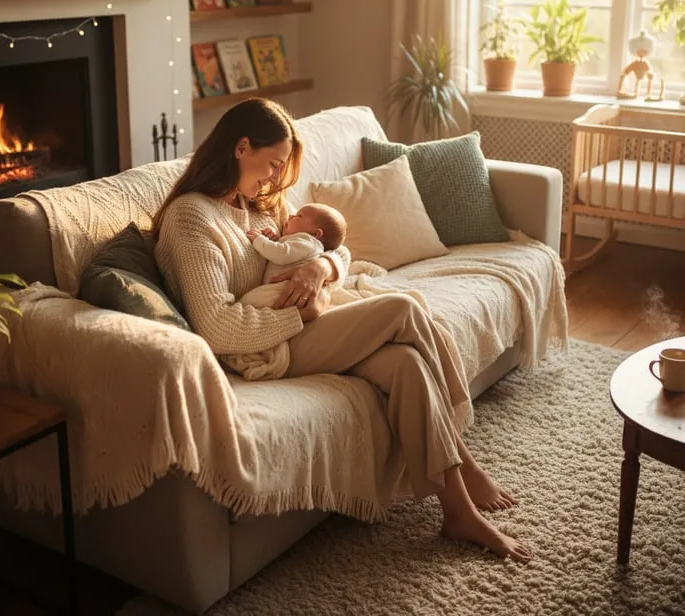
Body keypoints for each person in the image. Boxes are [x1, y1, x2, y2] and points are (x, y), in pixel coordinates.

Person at [153, 98, 530, 562]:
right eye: (272, 164)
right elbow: (218, 328)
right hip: (264, 347)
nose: (274, 178)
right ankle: (465, 461)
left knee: (406, 364)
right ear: (241, 147)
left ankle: (456, 510)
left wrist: (322, 269)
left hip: (300, 326)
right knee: (401, 308)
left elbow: (338, 248)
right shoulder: (192, 217)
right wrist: (301, 316)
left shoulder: (259, 205)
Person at [220, 202, 348, 380]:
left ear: (316, 234)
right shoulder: (302, 239)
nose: (290, 216)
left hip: (283, 289)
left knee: (250, 301)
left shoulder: (307, 242)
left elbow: (281, 253)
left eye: (298, 217)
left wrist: (260, 240)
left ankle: (253, 353)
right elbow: (285, 249)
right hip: (288, 297)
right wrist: (275, 238)